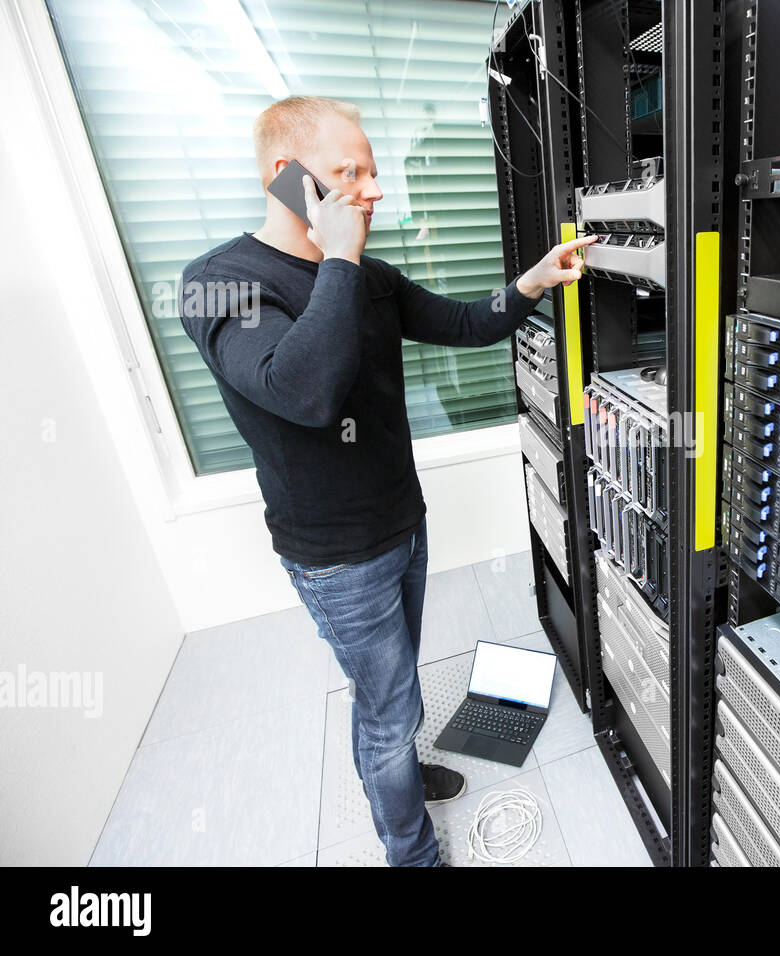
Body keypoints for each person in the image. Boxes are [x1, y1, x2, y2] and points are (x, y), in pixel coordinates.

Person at [180, 96, 595, 866]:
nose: (373, 191)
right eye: (350, 173)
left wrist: (533, 282)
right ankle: (411, 851)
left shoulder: (369, 277)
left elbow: (466, 322)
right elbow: (304, 392)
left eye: (372, 172)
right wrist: (336, 257)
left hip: (403, 522)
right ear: (286, 177)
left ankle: (393, 773)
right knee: (389, 706)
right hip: (336, 555)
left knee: (388, 694)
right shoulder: (220, 284)